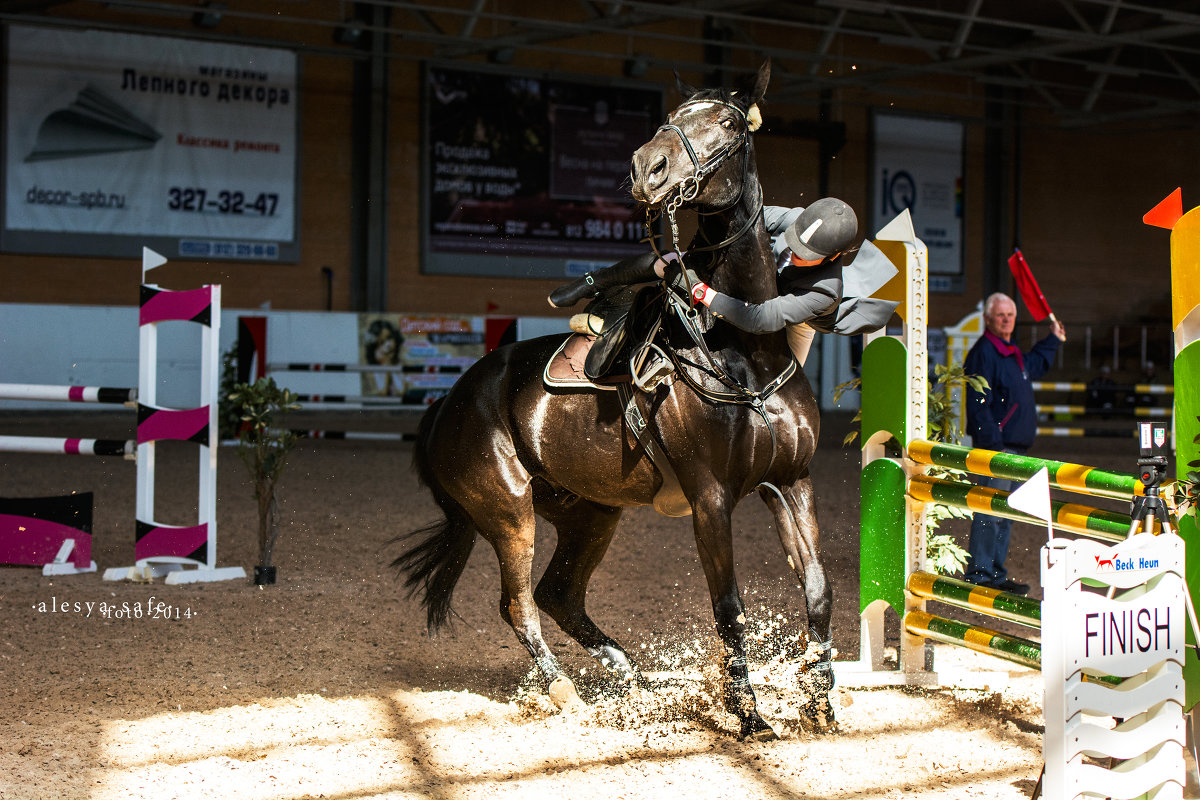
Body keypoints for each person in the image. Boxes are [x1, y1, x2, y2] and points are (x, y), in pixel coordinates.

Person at [549, 197, 898, 366]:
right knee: (670, 261)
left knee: (780, 389)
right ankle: (591, 282)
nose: (793, 249)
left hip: (799, 320)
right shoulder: (793, 219)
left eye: (806, 253)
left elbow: (760, 319)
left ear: (835, 256)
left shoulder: (826, 291)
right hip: (766, 285)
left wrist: (699, 291)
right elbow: (741, 226)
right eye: (794, 239)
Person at [962, 292, 1067, 594]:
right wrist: (993, 446)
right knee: (990, 513)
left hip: (1014, 448)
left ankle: (993, 573)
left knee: (1004, 514)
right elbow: (979, 403)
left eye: (1010, 314)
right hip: (999, 449)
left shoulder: (1009, 352)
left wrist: (1053, 339)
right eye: (1000, 315)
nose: (1006, 319)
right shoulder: (985, 352)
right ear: (988, 318)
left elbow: (1034, 365)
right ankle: (981, 574)